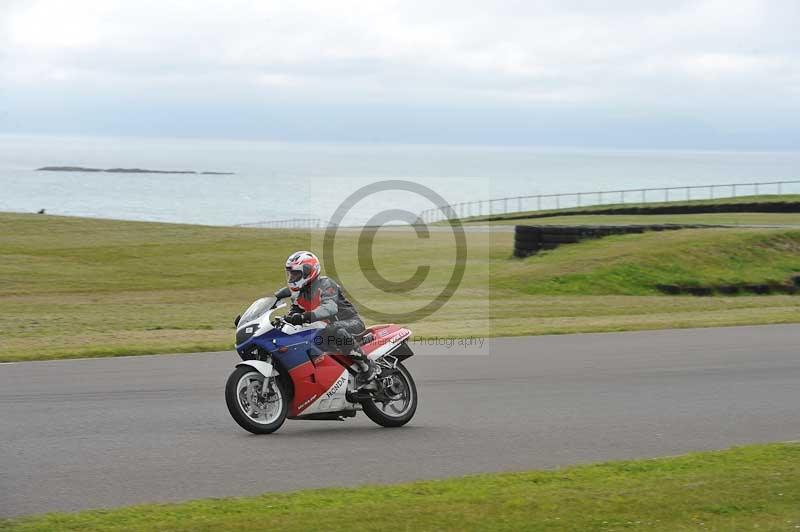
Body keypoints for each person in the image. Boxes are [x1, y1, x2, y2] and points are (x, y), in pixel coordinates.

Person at [274, 251, 376, 385]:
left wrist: (306, 316)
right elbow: (293, 315)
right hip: (323, 331)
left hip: (350, 323)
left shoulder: (326, 284)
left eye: (296, 273)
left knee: (334, 329)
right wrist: (280, 322)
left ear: (309, 271)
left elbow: (330, 308)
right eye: (291, 273)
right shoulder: (299, 294)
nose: (292, 277)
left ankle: (367, 365)